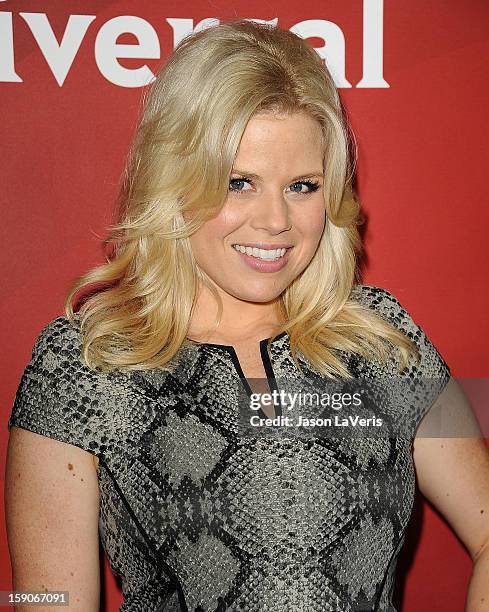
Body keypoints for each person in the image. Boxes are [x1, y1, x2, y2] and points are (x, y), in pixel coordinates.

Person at [5, 18, 489, 612]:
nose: (276, 221)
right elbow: (43, 599)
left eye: (303, 186)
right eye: (239, 183)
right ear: (175, 182)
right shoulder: (84, 364)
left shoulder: (384, 341)